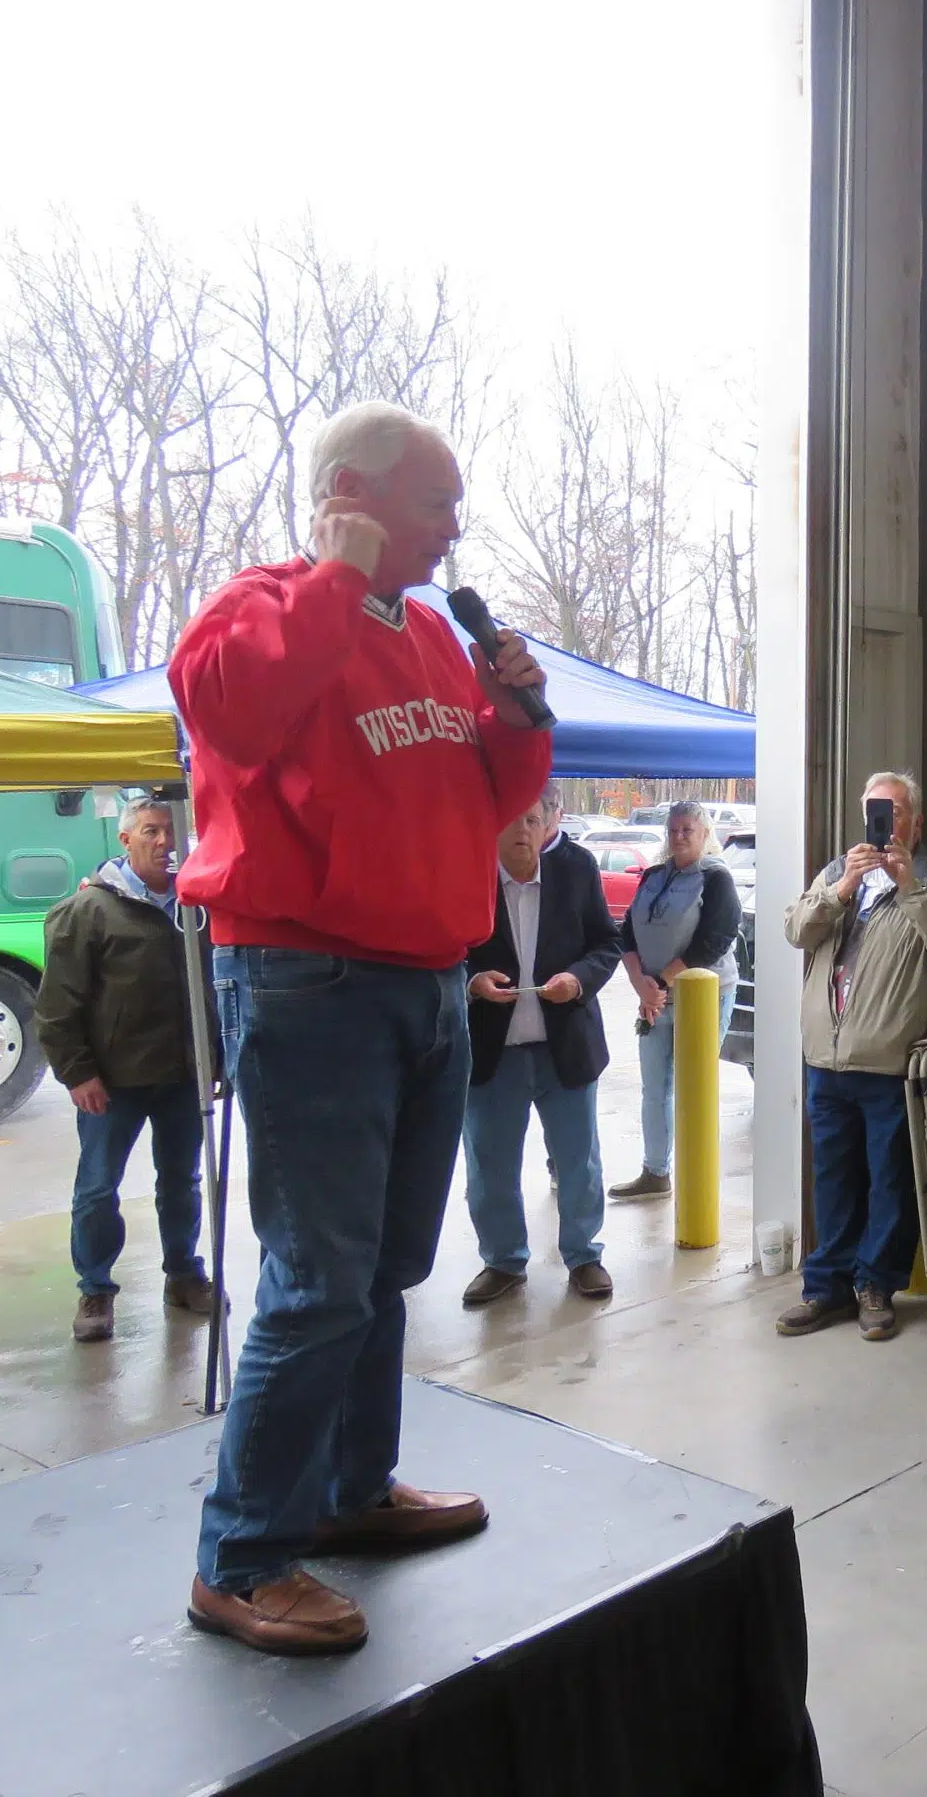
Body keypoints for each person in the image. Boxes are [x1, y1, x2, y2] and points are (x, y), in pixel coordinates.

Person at [172, 399, 552, 1656]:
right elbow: (229, 713)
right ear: (353, 494)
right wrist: (334, 572)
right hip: (308, 980)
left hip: (428, 979)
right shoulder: (261, 606)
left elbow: (490, 807)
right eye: (436, 501)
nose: (454, 527)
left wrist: (516, 718)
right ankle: (243, 1555)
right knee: (317, 1278)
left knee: (384, 1271)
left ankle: (346, 1492)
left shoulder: (439, 641)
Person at [778, 771, 927, 1343]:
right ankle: (826, 1289)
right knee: (833, 1179)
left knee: (893, 1181)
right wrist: (841, 887)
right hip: (826, 1059)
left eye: (894, 812)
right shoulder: (836, 872)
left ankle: (876, 1288)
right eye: (874, 810)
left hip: (890, 1062)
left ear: (915, 822)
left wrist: (911, 888)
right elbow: (795, 929)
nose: (883, 823)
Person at [37, 796, 213, 1343]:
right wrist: (77, 1073)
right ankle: (95, 1290)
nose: (165, 842)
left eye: (173, 832)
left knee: (182, 1182)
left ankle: (183, 1275)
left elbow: (212, 990)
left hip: (183, 1076)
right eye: (152, 832)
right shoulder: (87, 912)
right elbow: (57, 1006)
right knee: (97, 1188)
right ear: (126, 839)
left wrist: (216, 1061)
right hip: (112, 1083)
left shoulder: (196, 905)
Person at [459, 800, 622, 1308]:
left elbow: (606, 944)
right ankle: (503, 1261)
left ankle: (584, 1256)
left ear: (551, 822)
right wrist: (471, 981)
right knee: (489, 1164)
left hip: (564, 1047)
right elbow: (441, 948)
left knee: (578, 1161)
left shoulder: (577, 869)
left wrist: (577, 980)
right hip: (493, 1052)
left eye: (534, 820)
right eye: (512, 820)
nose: (524, 832)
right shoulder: (466, 874)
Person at [609, 801, 744, 1199]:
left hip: (702, 997)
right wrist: (641, 985)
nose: (679, 836)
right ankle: (655, 1172)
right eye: (673, 830)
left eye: (688, 829)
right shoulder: (653, 875)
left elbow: (715, 940)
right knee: (655, 1087)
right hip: (653, 998)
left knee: (694, 1087)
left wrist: (658, 983)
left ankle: (697, 1181)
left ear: (705, 834)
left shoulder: (716, 878)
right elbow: (627, 934)